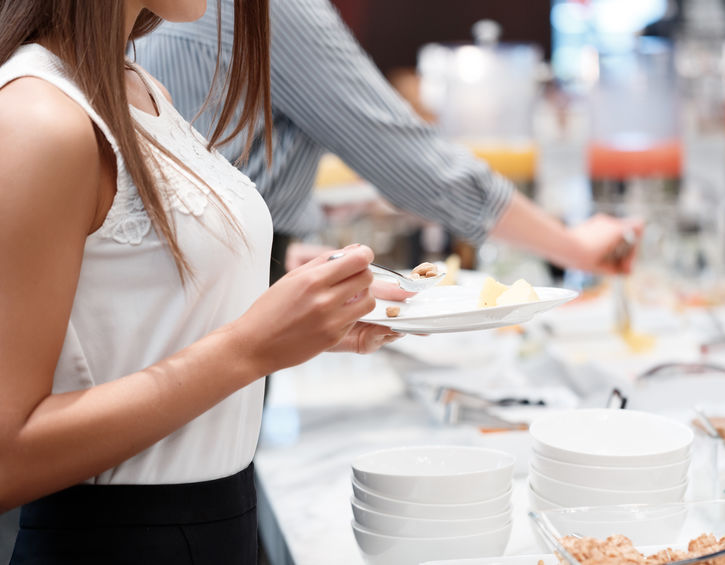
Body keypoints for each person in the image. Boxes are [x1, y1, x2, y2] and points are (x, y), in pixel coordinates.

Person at [0, 1, 402, 563]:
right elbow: (7, 458)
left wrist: (297, 322)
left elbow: (124, 315)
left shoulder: (133, 83)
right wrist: (249, 347)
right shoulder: (37, 117)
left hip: (217, 523)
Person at [133, 0, 643, 283]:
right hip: (203, 297)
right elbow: (417, 165)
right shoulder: (271, 8)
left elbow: (211, 159)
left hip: (194, 279)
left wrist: (284, 249)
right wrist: (574, 246)